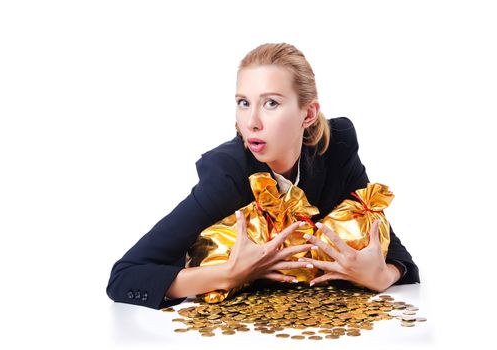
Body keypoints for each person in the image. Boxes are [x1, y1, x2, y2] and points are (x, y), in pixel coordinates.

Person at [106, 43, 420, 310]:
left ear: (308, 114)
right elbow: (124, 276)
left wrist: (382, 276)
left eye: (271, 103)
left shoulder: (335, 148)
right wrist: (229, 273)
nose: (252, 122)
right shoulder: (227, 174)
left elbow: (397, 256)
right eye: (244, 103)